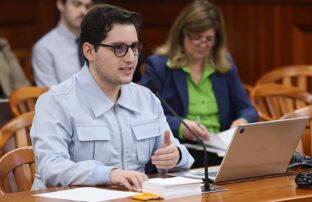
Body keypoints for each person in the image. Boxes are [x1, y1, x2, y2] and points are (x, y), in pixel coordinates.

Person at [30, 4, 194, 191]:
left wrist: (176, 156)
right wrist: (108, 174)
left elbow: (179, 154)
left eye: (134, 47)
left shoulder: (147, 98)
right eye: (119, 48)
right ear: (89, 51)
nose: (131, 58)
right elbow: (51, 168)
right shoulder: (55, 102)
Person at [141, 0, 258, 167]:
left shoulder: (224, 65)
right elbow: (144, 115)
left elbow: (248, 109)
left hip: (221, 151)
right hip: (181, 152)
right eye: (197, 38)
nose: (203, 44)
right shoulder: (159, 66)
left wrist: (242, 122)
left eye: (209, 39)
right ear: (182, 34)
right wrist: (181, 127)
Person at [32, 0, 93, 87]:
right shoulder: (44, 47)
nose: (84, 11)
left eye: (87, 6)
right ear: (60, 4)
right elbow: (50, 96)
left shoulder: (99, 41)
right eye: (77, 4)